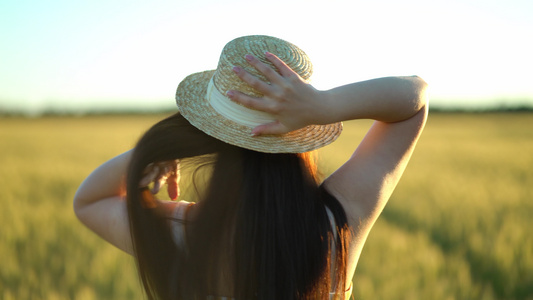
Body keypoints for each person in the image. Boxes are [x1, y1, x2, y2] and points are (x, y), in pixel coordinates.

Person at [74, 35, 428, 300]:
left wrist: (161, 150)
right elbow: (415, 99)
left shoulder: (184, 233)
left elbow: (89, 202)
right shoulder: (338, 227)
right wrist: (324, 104)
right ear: (301, 140)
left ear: (213, 137)